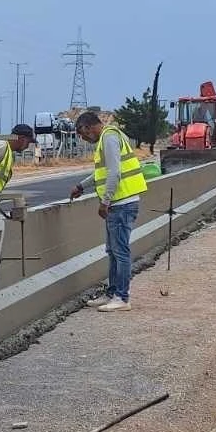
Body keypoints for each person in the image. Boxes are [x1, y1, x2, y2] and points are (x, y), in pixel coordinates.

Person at [68, 111, 148, 312]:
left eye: (82, 134)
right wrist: (81, 186)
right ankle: (111, 293)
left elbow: (114, 172)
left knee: (120, 251)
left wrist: (105, 202)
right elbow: (102, 173)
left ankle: (122, 297)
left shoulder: (109, 137)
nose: (83, 138)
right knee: (113, 251)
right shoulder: (108, 138)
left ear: (88, 127)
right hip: (119, 203)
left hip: (122, 203)